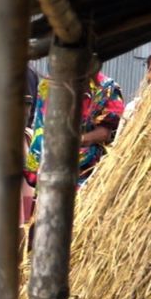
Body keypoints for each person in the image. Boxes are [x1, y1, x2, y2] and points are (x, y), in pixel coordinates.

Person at [24, 67, 125, 204]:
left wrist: (78, 140)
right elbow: (41, 127)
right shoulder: (49, 86)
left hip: (88, 169)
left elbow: (106, 132)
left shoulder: (106, 89)